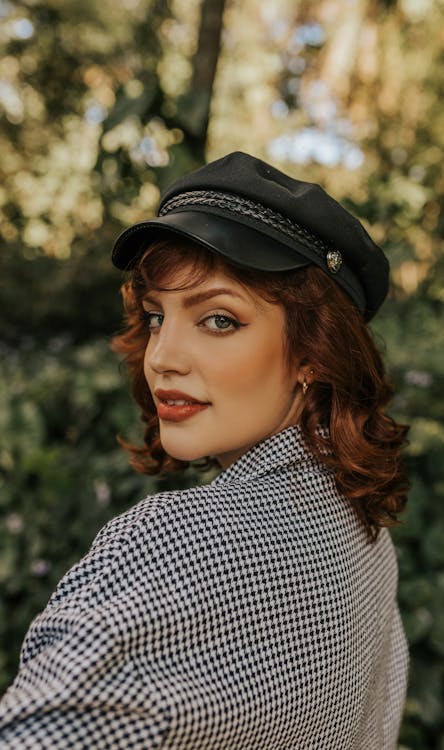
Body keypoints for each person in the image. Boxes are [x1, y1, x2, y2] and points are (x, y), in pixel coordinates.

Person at [0, 151, 409, 748]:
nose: (162, 356)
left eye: (219, 320)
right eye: (157, 315)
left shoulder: (170, 551)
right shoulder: (366, 529)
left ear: (312, 354)